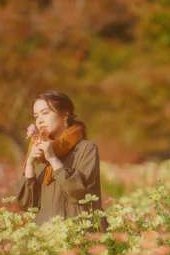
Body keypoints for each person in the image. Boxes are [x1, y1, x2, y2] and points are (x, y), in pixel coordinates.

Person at [14, 90, 108, 231]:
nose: (39, 120)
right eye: (36, 116)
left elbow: (80, 194)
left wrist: (52, 158)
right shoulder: (39, 154)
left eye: (45, 113)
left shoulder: (87, 149)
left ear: (65, 114)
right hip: (46, 240)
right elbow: (27, 206)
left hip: (79, 237)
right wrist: (29, 164)